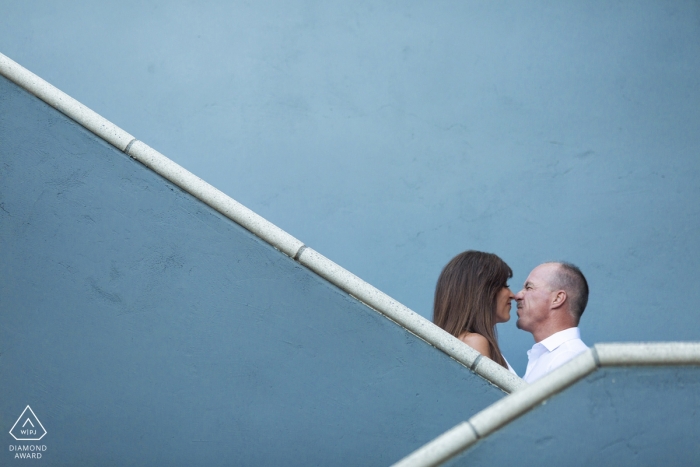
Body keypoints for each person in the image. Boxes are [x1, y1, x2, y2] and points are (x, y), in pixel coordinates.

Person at [433, 250, 516, 372]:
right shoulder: (474, 342)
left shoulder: (466, 341)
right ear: (481, 292)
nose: (512, 295)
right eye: (504, 285)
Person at [515, 261, 589, 383]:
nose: (517, 295)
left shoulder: (568, 358)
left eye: (529, 287)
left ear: (557, 299)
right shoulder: (552, 356)